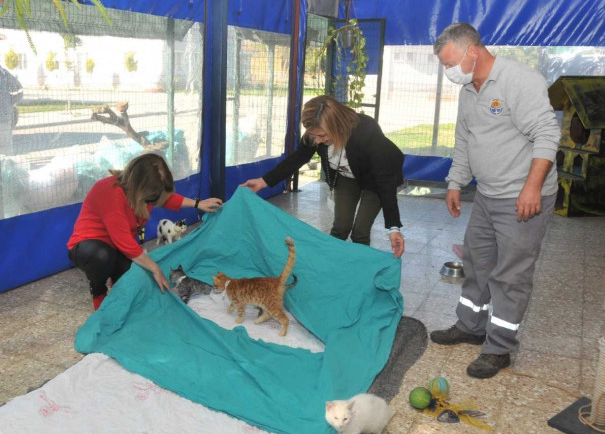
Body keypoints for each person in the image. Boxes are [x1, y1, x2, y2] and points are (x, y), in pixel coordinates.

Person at [428, 23, 560, 379]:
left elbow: (548, 133)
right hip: (487, 195)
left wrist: (532, 187)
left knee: (511, 274)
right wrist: (455, 183)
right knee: (477, 261)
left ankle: (499, 347)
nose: (448, 71)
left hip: (522, 196)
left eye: (449, 62)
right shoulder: (469, 91)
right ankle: (471, 326)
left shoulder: (519, 80)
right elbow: (464, 142)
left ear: (472, 50)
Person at [241, 95, 406, 258]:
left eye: (322, 136)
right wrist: (263, 182)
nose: (318, 141)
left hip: (375, 180)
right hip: (345, 176)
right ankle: (328, 265)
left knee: (360, 232)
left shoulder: (366, 131)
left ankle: (360, 271)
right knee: (340, 227)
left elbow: (385, 180)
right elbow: (298, 158)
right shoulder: (315, 134)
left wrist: (393, 228)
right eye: (314, 136)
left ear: (337, 125)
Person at [67, 153, 223, 310]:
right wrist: (155, 268)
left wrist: (198, 203)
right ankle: (98, 293)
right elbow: (125, 243)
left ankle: (118, 287)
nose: (155, 200)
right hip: (87, 246)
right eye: (153, 196)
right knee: (103, 257)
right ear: (141, 188)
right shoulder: (110, 191)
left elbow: (167, 199)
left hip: (117, 248)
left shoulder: (145, 193)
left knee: (134, 276)